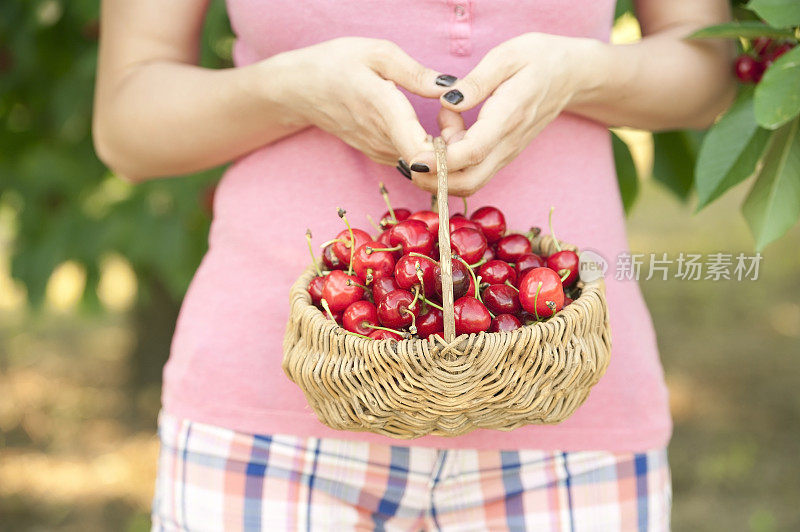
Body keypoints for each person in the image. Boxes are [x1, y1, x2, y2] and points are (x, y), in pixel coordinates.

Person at [93, 0, 735, 530]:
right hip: (271, 415)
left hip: (567, 410)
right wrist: (286, 89)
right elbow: (127, 122)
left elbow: (706, 64)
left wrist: (580, 72)